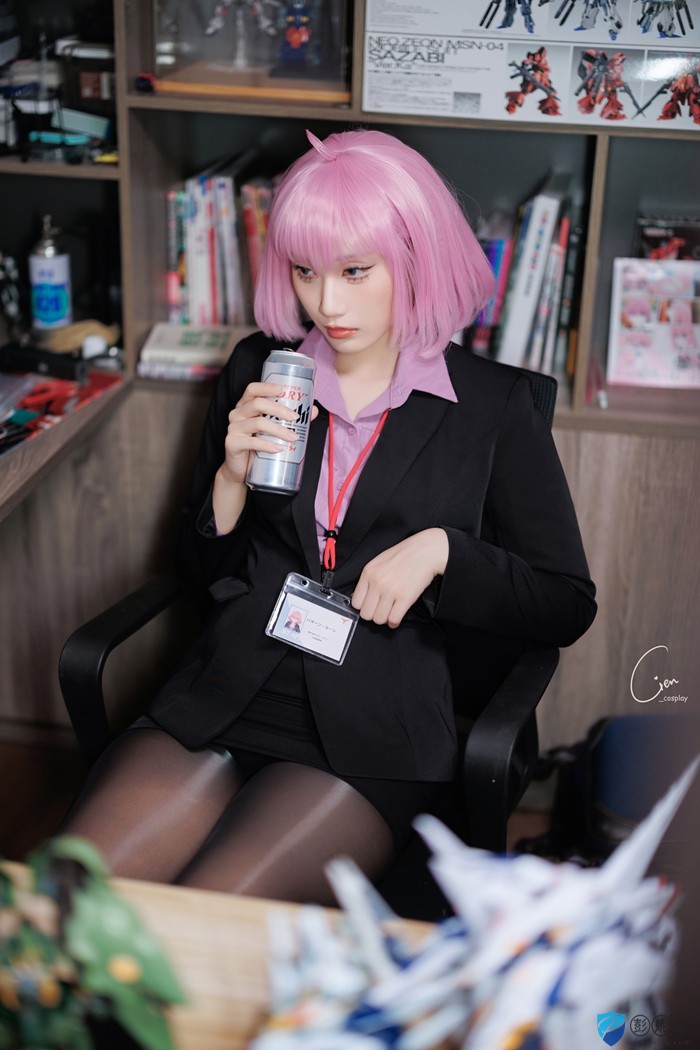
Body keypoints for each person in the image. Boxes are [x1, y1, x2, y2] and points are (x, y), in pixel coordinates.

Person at [59, 129, 597, 904]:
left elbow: (566, 601)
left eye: (354, 271)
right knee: (74, 901)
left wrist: (445, 553)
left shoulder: (492, 407)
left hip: (373, 723)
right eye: (305, 271)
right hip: (228, 684)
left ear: (414, 257)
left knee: (210, 918)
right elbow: (201, 576)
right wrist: (229, 481)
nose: (327, 303)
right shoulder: (262, 367)